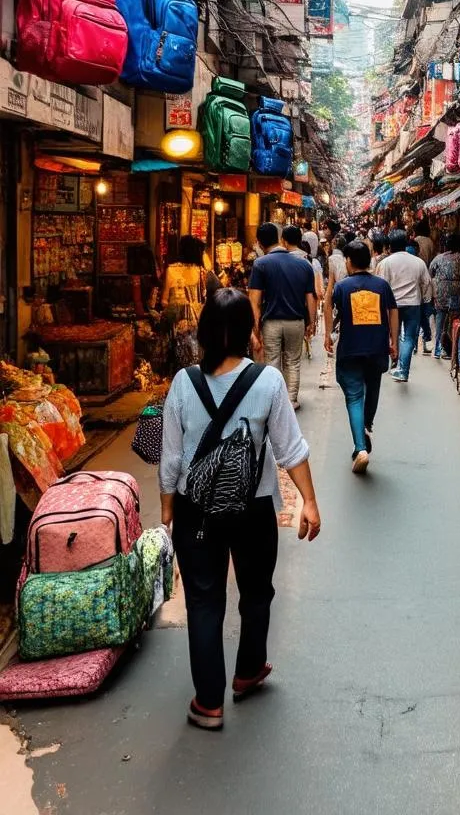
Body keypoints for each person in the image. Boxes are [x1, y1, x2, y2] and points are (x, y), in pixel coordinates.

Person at [159, 288, 321, 731]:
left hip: (196, 514)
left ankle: (208, 702)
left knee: (205, 602)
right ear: (248, 331)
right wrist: (308, 500)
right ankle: (248, 671)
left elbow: (171, 458)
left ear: (204, 331)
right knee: (256, 592)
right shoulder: (267, 382)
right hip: (253, 510)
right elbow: (291, 449)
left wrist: (168, 511)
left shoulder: (182, 383)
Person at [327, 241, 398, 473]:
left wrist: (328, 335)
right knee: (373, 387)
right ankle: (366, 426)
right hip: (377, 348)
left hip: (351, 349)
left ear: (349, 261)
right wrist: (394, 341)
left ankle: (360, 448)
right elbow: (393, 312)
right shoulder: (382, 285)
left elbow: (331, 307)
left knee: (355, 396)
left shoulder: (343, 287)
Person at [248, 223, 316, 409]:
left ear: (260, 243)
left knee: (272, 362)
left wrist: (255, 329)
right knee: (293, 361)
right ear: (279, 240)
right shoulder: (304, 264)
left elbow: (254, 301)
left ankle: (274, 400)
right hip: (296, 321)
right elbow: (311, 298)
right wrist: (311, 322)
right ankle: (291, 400)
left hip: (271, 322)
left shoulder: (260, 264)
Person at [375, 229, 431, 383]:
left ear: (390, 246)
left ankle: (395, 360)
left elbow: (380, 285)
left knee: (394, 334)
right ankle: (403, 370)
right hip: (413, 304)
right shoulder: (418, 262)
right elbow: (426, 283)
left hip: (392, 305)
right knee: (409, 338)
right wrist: (424, 300)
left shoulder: (384, 263)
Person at [161, 236, 208, 372]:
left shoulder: (171, 269)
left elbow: (164, 301)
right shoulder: (201, 272)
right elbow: (204, 298)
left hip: (175, 323)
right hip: (196, 325)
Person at [428, 232, 460, 359]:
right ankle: (451, 349)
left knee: (440, 320)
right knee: (455, 320)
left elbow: (431, 271)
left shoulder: (439, 258)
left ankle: (437, 348)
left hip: (441, 292)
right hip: (456, 293)